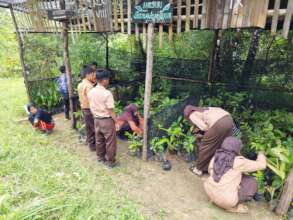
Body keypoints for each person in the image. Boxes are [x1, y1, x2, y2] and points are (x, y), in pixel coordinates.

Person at [204, 137, 266, 213]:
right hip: (226, 200)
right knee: (252, 182)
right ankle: (232, 208)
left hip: (209, 190)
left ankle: (215, 199)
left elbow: (211, 171)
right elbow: (262, 165)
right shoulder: (239, 162)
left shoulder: (217, 156)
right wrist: (261, 154)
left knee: (238, 176)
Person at [184, 105, 234, 176]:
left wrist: (201, 136)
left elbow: (204, 128)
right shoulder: (204, 109)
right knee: (222, 145)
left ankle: (198, 169)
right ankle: (225, 167)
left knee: (206, 145)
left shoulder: (192, 115)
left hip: (219, 123)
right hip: (229, 120)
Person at [88, 69, 118, 168]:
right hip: (106, 120)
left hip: (96, 119)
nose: (108, 80)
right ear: (104, 80)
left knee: (99, 139)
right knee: (110, 142)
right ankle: (111, 162)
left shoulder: (91, 92)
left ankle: (100, 158)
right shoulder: (107, 93)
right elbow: (111, 110)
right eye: (108, 78)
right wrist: (116, 121)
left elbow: (91, 106)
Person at [77, 66, 96, 151]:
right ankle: (95, 146)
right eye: (93, 75)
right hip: (90, 110)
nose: (94, 76)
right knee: (94, 129)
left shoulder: (80, 84)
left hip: (84, 109)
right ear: (87, 75)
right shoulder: (89, 86)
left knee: (89, 128)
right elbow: (92, 100)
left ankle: (91, 145)